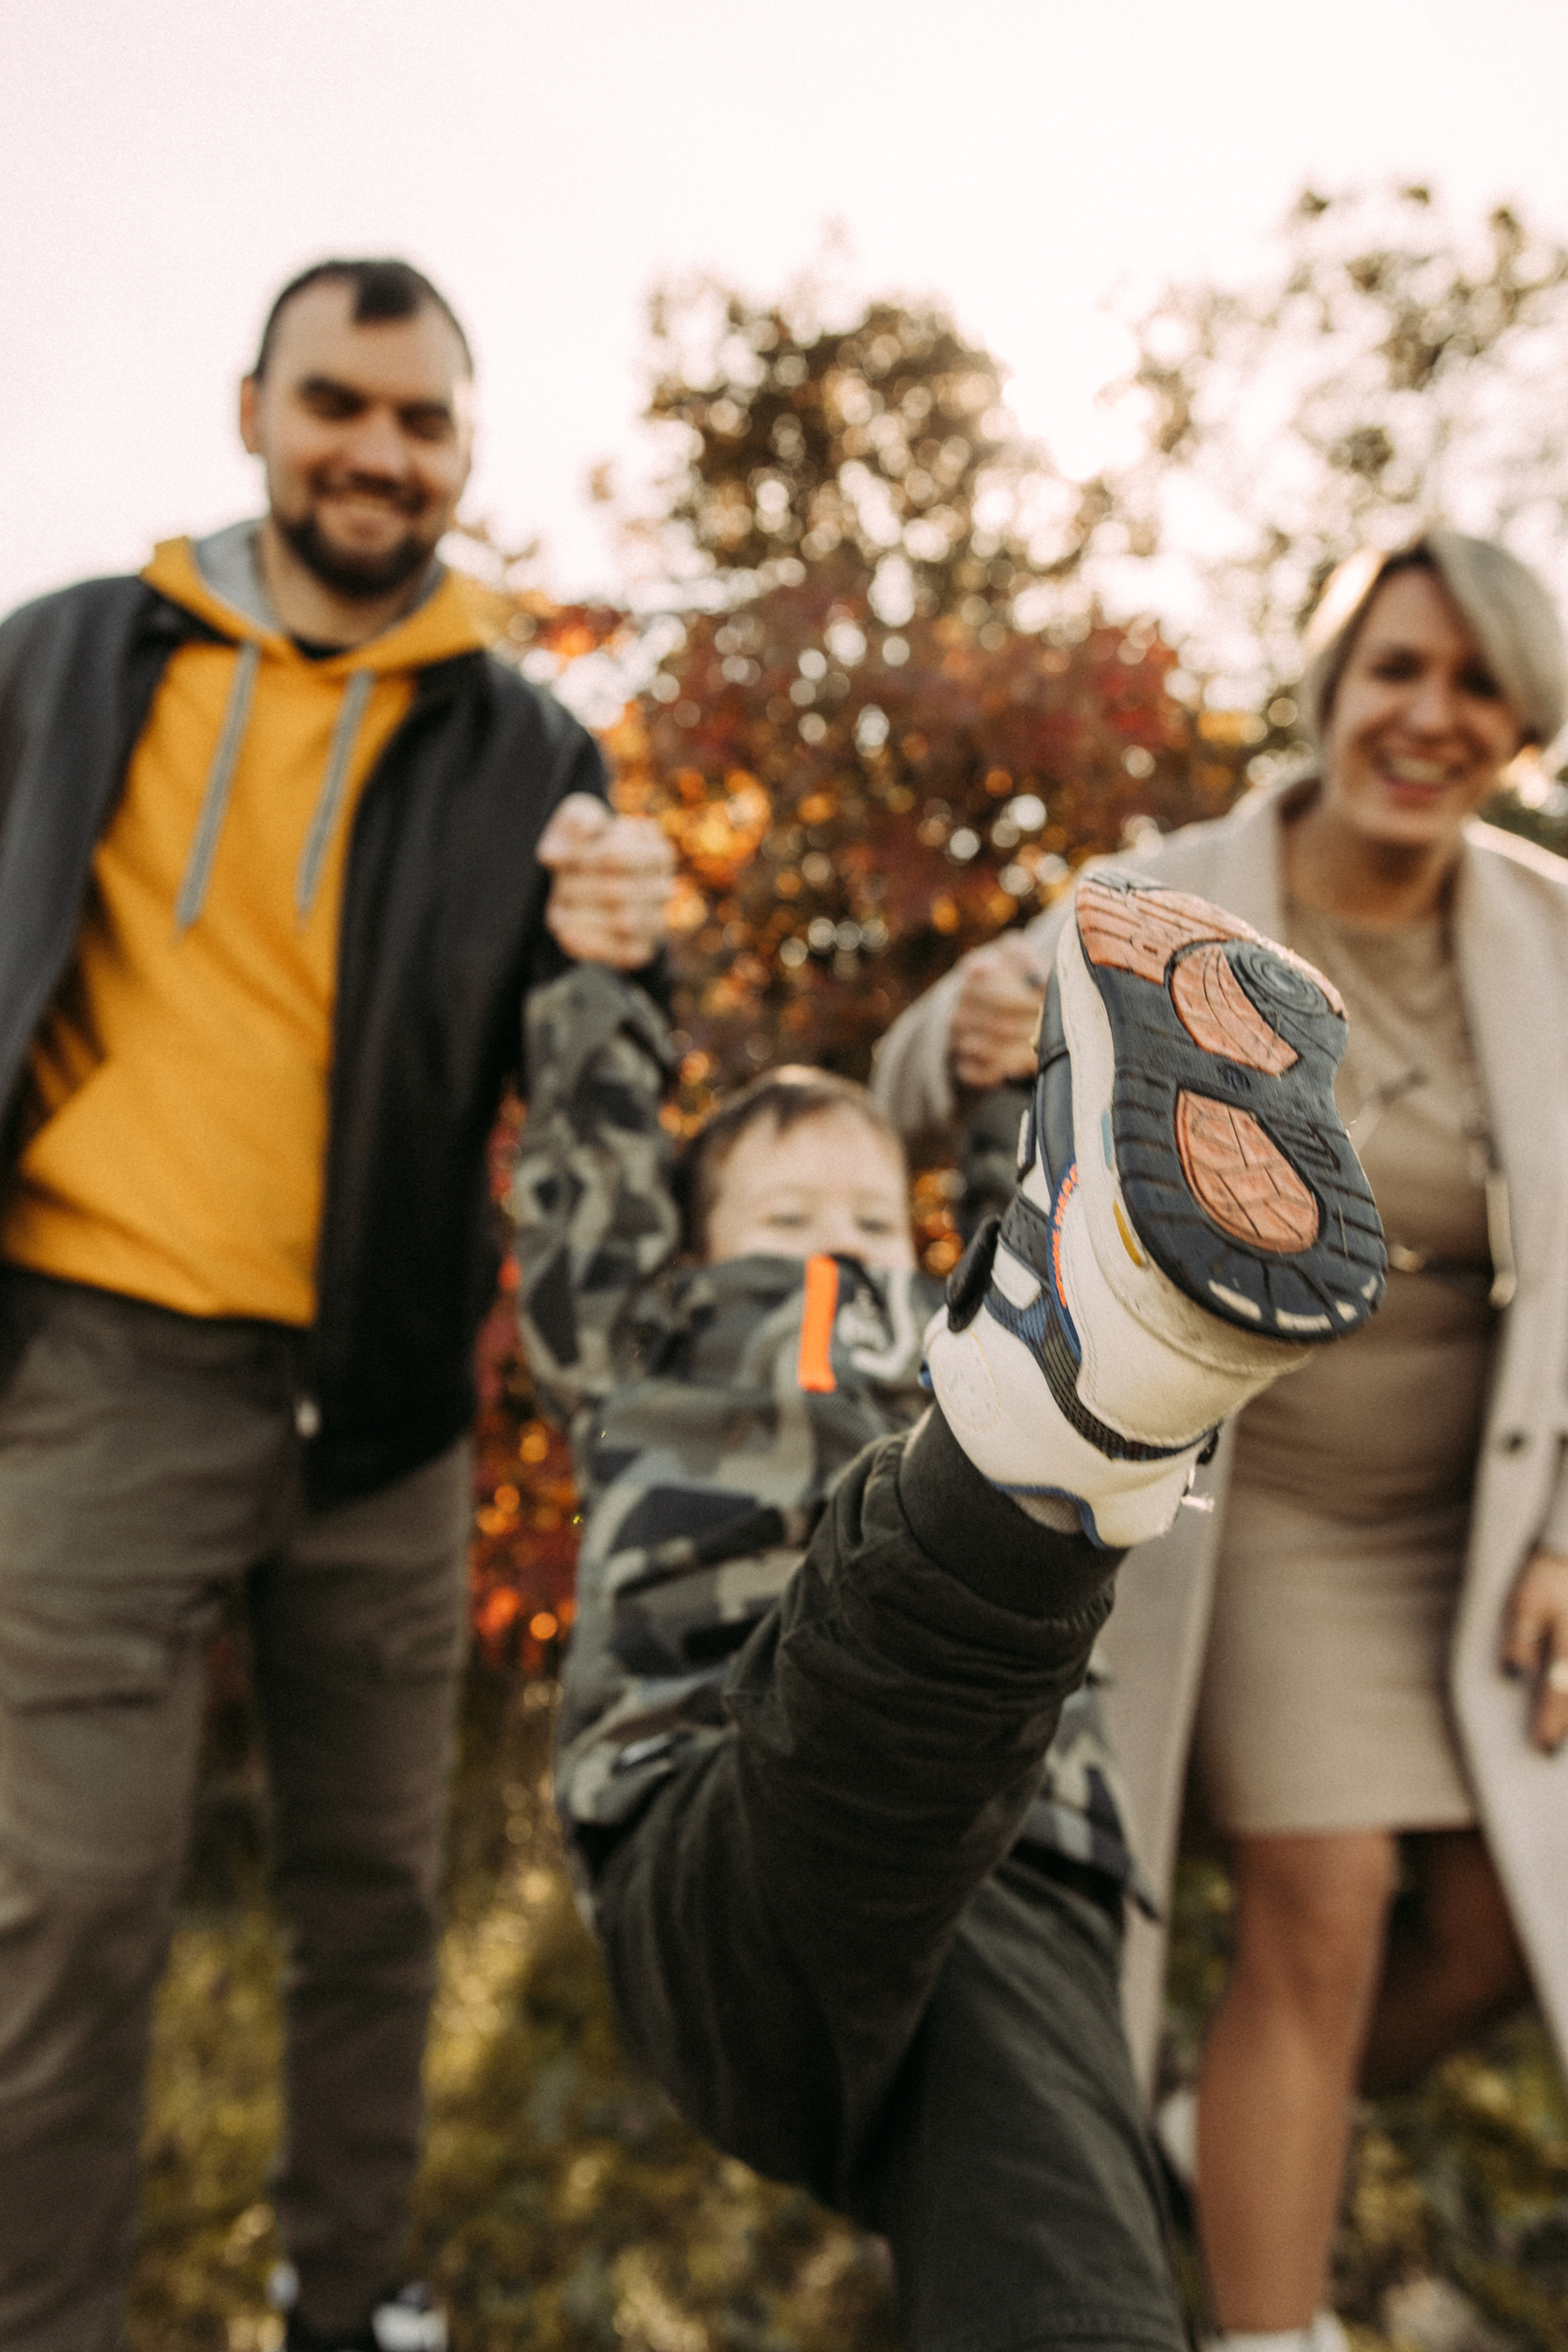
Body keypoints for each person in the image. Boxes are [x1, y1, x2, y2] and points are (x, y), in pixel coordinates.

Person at [0, 257, 673, 2352]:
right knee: (68, 1910)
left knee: (376, 1902)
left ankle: (352, 2295)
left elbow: (597, 1109)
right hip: (98, 1376)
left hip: (385, 1405)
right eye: (340, 405)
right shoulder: (64, 661)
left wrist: (631, 960)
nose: (379, 452)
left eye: (424, 420)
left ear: (465, 452)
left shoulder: (535, 745)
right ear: (255, 411)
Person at [511, 863, 1381, 2352]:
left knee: (1075, 2290)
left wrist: (1009, 1094)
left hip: (1015, 1859)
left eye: (865, 1210)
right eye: (786, 1211)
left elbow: (1019, 1217)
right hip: (713, 1824)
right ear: (695, 1239)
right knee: (868, 1661)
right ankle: (1069, 1443)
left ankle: (1084, 1408)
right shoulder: (640, 1333)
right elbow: (585, 1181)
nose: (837, 1236)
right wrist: (600, 982)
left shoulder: (934, 1314)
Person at [871, 531, 1568, 2350]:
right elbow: (906, 1078)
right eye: (1397, 670)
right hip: (1259, 1499)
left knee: (1499, 1934)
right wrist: (965, 1035)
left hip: (1492, 1525)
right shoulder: (1165, 893)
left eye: (1474, 687)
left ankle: (1205, 2131)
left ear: (1522, 724)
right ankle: (1274, 2325)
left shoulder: (1550, 931)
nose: (1429, 717)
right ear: (1335, 684)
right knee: (1324, 1906)